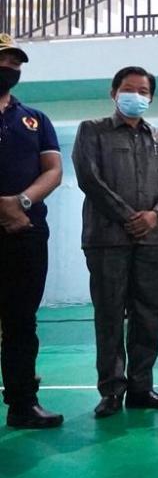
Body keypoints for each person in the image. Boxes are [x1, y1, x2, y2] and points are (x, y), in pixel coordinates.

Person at [72, 66, 158, 418]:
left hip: (152, 239)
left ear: (150, 98)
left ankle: (141, 386)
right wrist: (127, 216)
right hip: (107, 239)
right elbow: (89, 177)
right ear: (114, 93)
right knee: (109, 313)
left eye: (143, 91)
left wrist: (155, 214)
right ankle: (111, 390)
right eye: (129, 89)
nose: (136, 96)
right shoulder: (92, 131)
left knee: (148, 312)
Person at [0, 34, 64, 429]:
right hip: (13, 221)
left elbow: (53, 170)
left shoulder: (35, 118)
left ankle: (22, 403)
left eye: (15, 61)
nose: (11, 67)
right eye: (4, 59)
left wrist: (19, 203)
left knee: (22, 321)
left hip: (26, 231)